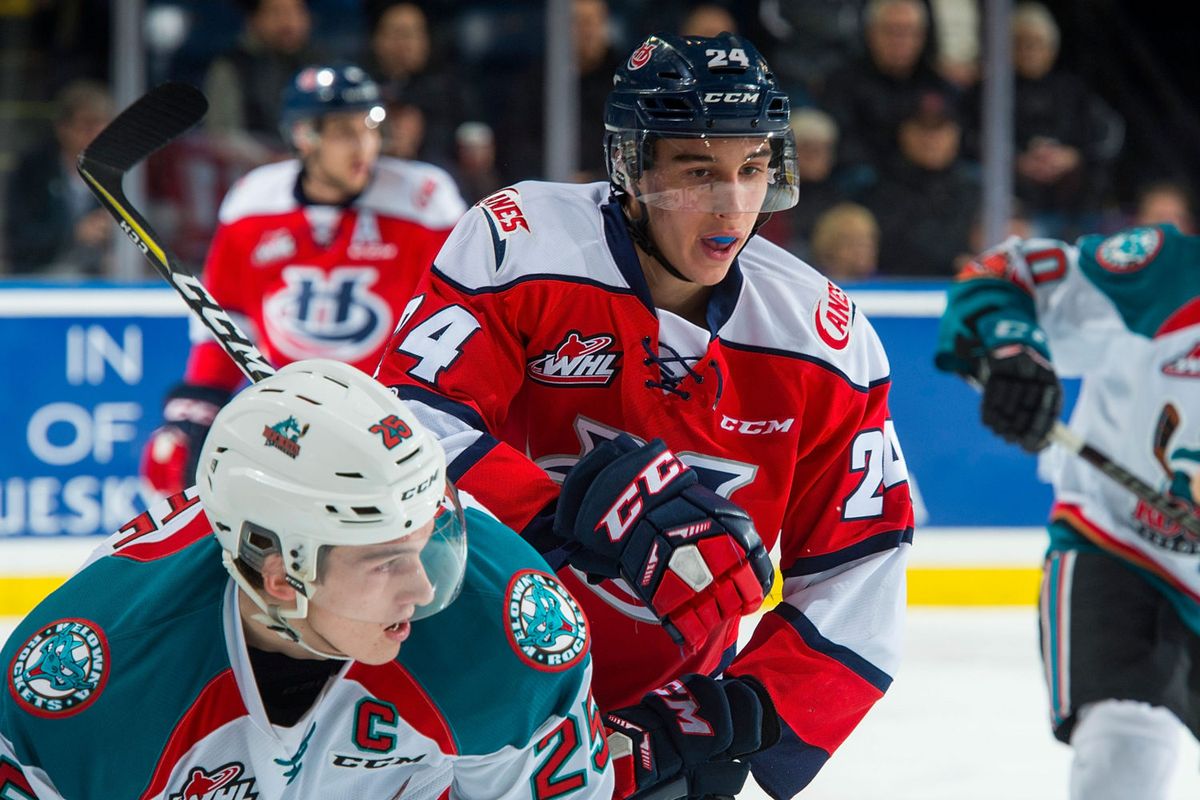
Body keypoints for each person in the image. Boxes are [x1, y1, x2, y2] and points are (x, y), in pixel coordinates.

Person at [376, 31, 914, 799]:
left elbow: (865, 557)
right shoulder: (521, 244)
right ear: (630, 165)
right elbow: (407, 423)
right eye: (699, 171)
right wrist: (561, 513)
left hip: (648, 721)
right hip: (456, 680)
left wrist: (747, 710)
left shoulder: (824, 338)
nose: (733, 205)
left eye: (753, 169)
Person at [0, 358, 615, 799]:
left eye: (428, 541)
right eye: (384, 561)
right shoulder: (86, 686)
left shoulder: (506, 634)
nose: (425, 590)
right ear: (279, 576)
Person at [934, 224, 1200, 800]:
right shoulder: (1164, 274)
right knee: (1122, 753)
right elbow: (1007, 274)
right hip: (1124, 548)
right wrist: (1013, 349)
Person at [140, 63, 466, 497]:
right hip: (292, 417)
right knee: (169, 461)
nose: (364, 145)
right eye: (344, 131)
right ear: (304, 135)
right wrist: (196, 408)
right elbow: (227, 321)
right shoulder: (253, 203)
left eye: (370, 126)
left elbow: (459, 314)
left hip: (395, 414)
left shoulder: (424, 199)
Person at [862, 87, 979, 276]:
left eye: (939, 130)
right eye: (922, 129)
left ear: (955, 135)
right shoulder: (882, 190)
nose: (931, 140)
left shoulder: (975, 189)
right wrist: (953, 260)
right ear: (904, 134)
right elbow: (892, 250)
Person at [4, 80, 114, 276]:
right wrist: (74, 233)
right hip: (41, 280)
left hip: (101, 281)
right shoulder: (33, 170)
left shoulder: (121, 173)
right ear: (63, 128)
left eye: (103, 125)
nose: (97, 134)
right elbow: (20, 238)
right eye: (87, 125)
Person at [203, 0, 323, 156]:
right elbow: (221, 134)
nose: (289, 22)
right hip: (251, 172)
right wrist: (267, 159)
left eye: (297, 11)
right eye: (276, 12)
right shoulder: (231, 67)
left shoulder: (319, 65)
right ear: (253, 18)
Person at [809, 202, 881, 281]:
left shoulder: (886, 287)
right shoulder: (812, 284)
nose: (863, 251)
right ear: (829, 246)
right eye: (853, 242)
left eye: (868, 242)